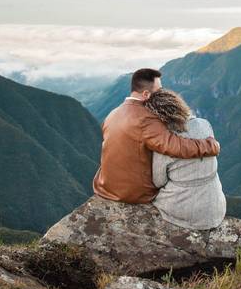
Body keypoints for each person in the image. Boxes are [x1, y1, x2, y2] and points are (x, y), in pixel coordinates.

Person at [92, 68, 220, 204]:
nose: (162, 93)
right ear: (146, 94)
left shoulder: (112, 114)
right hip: (133, 194)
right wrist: (211, 145)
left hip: (104, 186)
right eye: (159, 90)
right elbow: (175, 146)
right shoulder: (145, 118)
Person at [146, 89, 226, 230]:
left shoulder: (166, 142)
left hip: (187, 210)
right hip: (216, 207)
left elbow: (158, 181)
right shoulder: (204, 124)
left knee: (146, 199)